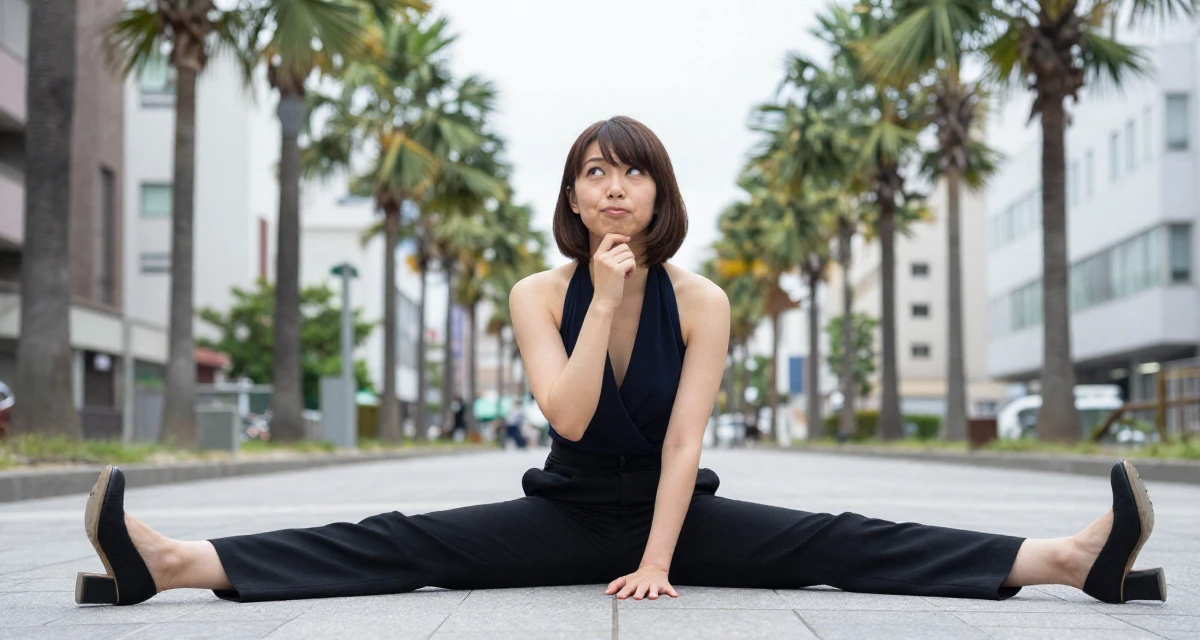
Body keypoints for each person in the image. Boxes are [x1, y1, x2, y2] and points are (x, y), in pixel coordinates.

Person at [74, 116, 1164, 607]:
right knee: (398, 541)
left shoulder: (707, 300)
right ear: (572, 196)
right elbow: (568, 412)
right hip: (561, 506)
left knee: (843, 542)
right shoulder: (537, 292)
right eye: (593, 173)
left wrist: (658, 563)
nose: (612, 189)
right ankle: (173, 565)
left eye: (630, 173)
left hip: (678, 514)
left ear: (659, 191)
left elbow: (685, 438)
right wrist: (605, 297)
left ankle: (1069, 560)